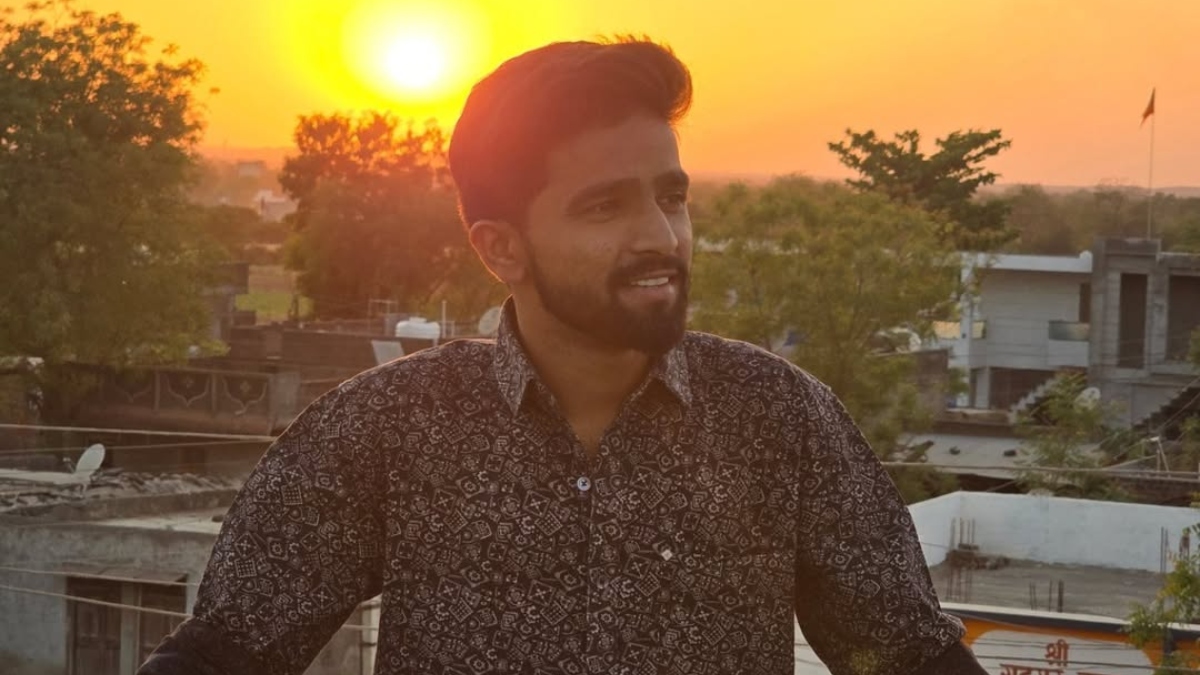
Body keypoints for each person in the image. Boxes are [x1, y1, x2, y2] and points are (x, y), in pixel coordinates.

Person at [140, 37, 987, 675]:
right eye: (605, 207)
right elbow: (227, 648)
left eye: (672, 197)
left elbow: (906, 654)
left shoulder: (778, 417)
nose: (661, 237)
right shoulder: (387, 430)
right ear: (500, 247)